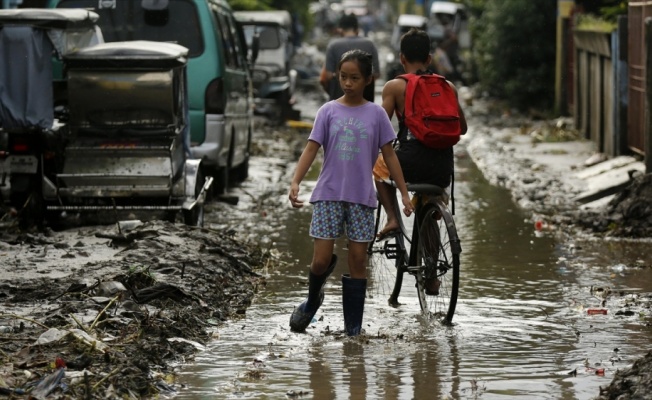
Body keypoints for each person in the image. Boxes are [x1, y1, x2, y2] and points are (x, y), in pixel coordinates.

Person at [289, 49, 414, 336]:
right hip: (328, 195)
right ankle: (312, 301)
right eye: (343, 77)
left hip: (361, 198)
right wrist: (296, 182)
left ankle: (353, 332)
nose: (348, 83)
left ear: (369, 79)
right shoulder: (328, 111)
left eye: (354, 78)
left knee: (358, 260)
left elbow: (390, 156)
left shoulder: (377, 115)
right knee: (320, 260)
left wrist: (404, 193)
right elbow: (311, 148)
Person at [372, 28, 467, 243]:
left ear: (402, 58)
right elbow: (463, 128)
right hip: (442, 168)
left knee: (378, 168)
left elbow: (379, 128)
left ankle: (393, 218)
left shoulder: (394, 87)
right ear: (429, 58)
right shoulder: (448, 87)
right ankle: (432, 275)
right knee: (427, 211)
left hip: (410, 164)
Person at [319, 13, 380, 103]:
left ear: (340, 30)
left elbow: (326, 76)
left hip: (338, 101)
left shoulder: (334, 46)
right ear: (357, 29)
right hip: (365, 102)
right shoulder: (369, 44)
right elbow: (376, 74)